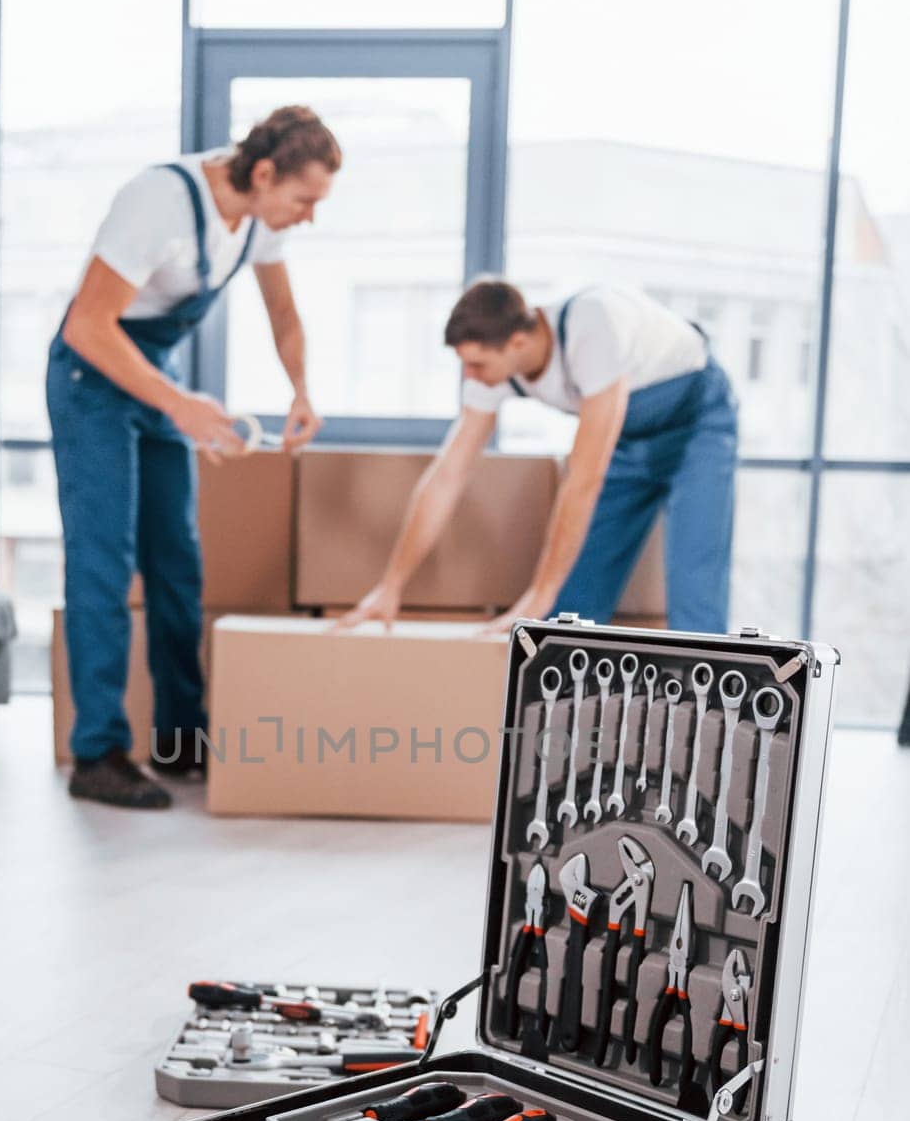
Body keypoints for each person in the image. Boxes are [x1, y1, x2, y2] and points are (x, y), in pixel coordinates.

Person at [47, 106, 340, 809]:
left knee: (177, 563)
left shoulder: (258, 222)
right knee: (105, 562)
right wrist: (182, 407)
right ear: (263, 173)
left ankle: (180, 741)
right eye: (303, 200)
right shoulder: (159, 199)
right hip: (93, 376)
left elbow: (284, 316)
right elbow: (89, 326)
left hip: (152, 382)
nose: (307, 217)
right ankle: (98, 754)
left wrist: (300, 390)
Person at [341, 277, 738, 637]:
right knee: (569, 610)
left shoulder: (592, 326)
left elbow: (583, 478)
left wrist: (537, 594)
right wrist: (391, 585)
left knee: (694, 590)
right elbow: (447, 474)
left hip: (697, 421)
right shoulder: (495, 369)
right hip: (627, 438)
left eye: (476, 364)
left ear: (516, 342)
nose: (470, 377)